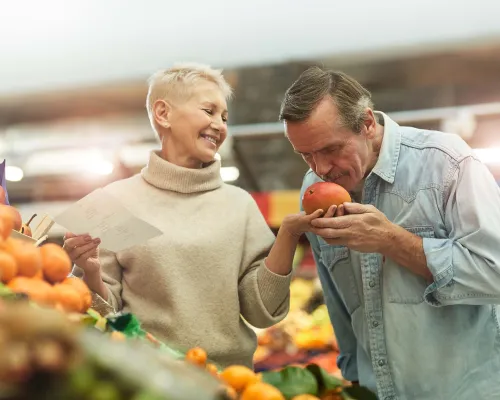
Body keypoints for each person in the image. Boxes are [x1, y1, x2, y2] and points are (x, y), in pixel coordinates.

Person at [63, 63, 322, 369]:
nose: (220, 124)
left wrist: (288, 236)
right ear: (163, 114)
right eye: (209, 110)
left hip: (229, 382)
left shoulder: (240, 206)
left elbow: (262, 313)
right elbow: (105, 320)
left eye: (224, 117)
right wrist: (90, 272)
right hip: (149, 381)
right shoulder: (113, 203)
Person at [280, 66, 500, 399]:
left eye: (330, 149)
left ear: (367, 123)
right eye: (305, 155)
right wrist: (352, 380)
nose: (320, 169)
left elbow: (494, 274)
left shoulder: (445, 163)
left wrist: (390, 240)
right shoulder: (313, 189)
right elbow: (340, 308)